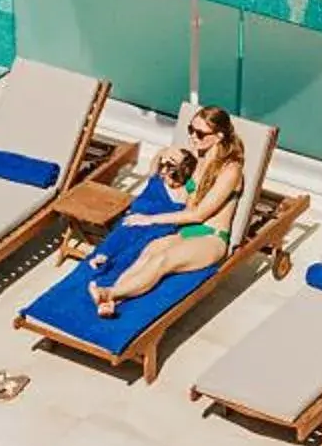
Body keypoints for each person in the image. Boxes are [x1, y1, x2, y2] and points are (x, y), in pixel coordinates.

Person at [88, 107, 246, 319]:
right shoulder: (197, 160)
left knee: (163, 260)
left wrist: (149, 220)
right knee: (149, 252)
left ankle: (109, 292)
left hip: (210, 237)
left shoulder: (231, 170)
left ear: (219, 137)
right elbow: (155, 176)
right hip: (184, 233)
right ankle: (113, 299)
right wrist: (162, 153)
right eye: (191, 129)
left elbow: (198, 214)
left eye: (199, 133)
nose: (192, 136)